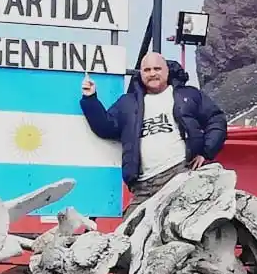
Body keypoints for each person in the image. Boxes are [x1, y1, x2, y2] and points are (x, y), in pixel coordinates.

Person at [79, 51, 228, 214]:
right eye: (147, 70)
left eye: (157, 68)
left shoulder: (189, 94)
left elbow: (216, 119)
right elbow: (105, 127)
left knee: (182, 229)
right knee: (129, 234)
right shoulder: (127, 102)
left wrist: (206, 152)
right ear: (141, 73)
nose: (152, 74)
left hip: (180, 173)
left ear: (166, 71)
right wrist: (90, 99)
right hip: (143, 186)